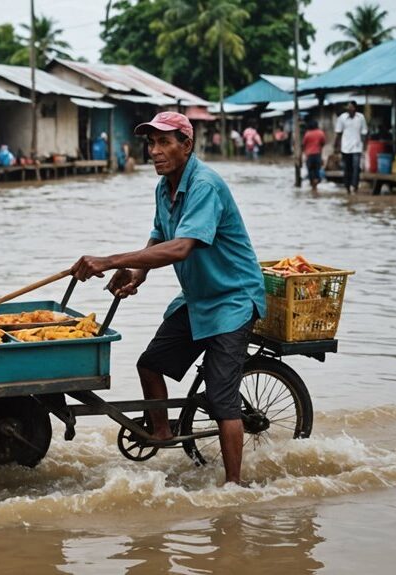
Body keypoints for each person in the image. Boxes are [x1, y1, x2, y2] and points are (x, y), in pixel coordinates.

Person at [71, 111, 266, 486]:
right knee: (150, 363)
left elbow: (180, 248)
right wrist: (137, 273)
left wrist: (110, 260)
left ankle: (233, 486)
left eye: (164, 142)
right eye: (151, 143)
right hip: (197, 298)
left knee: (220, 398)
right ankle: (161, 432)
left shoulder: (204, 185)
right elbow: (161, 234)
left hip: (233, 300)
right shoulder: (165, 187)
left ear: (187, 145)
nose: (154, 152)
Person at [334, 100, 368, 194]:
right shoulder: (342, 118)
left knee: (356, 167)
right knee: (347, 168)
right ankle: (347, 187)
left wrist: (364, 146)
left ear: (355, 108)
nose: (349, 109)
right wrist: (336, 146)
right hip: (345, 147)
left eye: (351, 107)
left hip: (357, 147)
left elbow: (364, 132)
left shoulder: (361, 117)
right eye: (348, 107)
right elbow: (338, 133)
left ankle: (355, 186)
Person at [303, 120, 327, 192]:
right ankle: (316, 183)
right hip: (317, 154)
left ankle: (313, 185)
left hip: (309, 155)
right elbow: (323, 142)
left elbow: (304, 144)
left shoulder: (307, 134)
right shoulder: (320, 133)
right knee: (317, 169)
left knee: (310, 170)